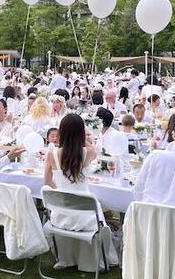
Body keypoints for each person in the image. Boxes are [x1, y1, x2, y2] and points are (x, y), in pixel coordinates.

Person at [43, 113, 118, 271]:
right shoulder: (88, 152)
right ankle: (90, 260)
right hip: (85, 215)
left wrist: (61, 194)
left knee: (91, 205)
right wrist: (84, 139)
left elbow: (47, 181)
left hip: (60, 215)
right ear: (80, 133)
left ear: (61, 132)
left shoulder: (51, 154)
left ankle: (66, 258)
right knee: (96, 205)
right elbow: (94, 151)